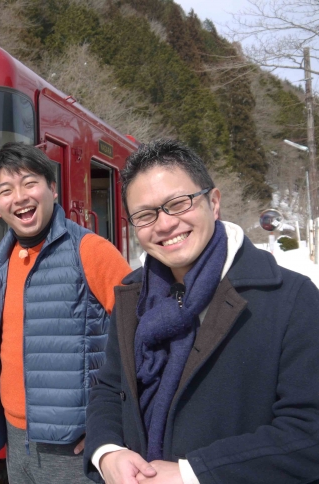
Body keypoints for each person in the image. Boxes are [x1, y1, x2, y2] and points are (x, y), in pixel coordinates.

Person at [83, 138, 319, 484]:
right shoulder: (133, 295)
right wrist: (107, 453)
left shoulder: (292, 298)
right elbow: (109, 386)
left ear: (214, 201)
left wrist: (193, 474)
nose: (164, 225)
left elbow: (308, 432)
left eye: (178, 203)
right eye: (146, 214)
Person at [0, 142, 131, 483]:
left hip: (75, 444)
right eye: (6, 190)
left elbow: (141, 332)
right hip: (17, 437)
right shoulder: (2, 262)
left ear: (52, 188)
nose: (19, 197)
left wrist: (109, 423)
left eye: (30, 183)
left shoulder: (90, 250)